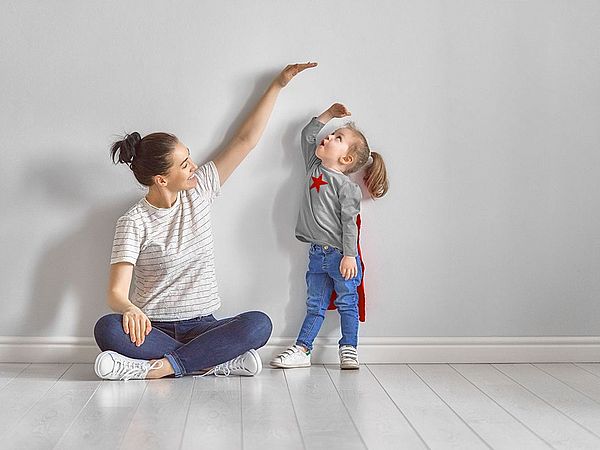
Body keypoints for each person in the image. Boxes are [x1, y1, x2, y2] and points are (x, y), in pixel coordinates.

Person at [93, 62, 317, 381]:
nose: (194, 166)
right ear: (161, 179)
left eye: (189, 157)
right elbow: (116, 292)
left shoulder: (199, 190)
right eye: (184, 165)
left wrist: (278, 85)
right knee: (107, 329)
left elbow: (244, 141)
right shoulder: (133, 222)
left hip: (204, 326)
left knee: (259, 324)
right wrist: (129, 309)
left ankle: (164, 366)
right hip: (151, 329)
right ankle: (211, 361)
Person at [270, 103, 388, 370]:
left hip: (340, 256)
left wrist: (349, 256)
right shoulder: (313, 166)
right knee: (315, 304)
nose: (328, 137)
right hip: (316, 254)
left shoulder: (347, 188)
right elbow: (307, 135)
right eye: (332, 134)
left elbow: (350, 225)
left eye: (338, 138)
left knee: (348, 303)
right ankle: (302, 349)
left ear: (346, 159)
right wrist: (329, 116)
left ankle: (349, 349)